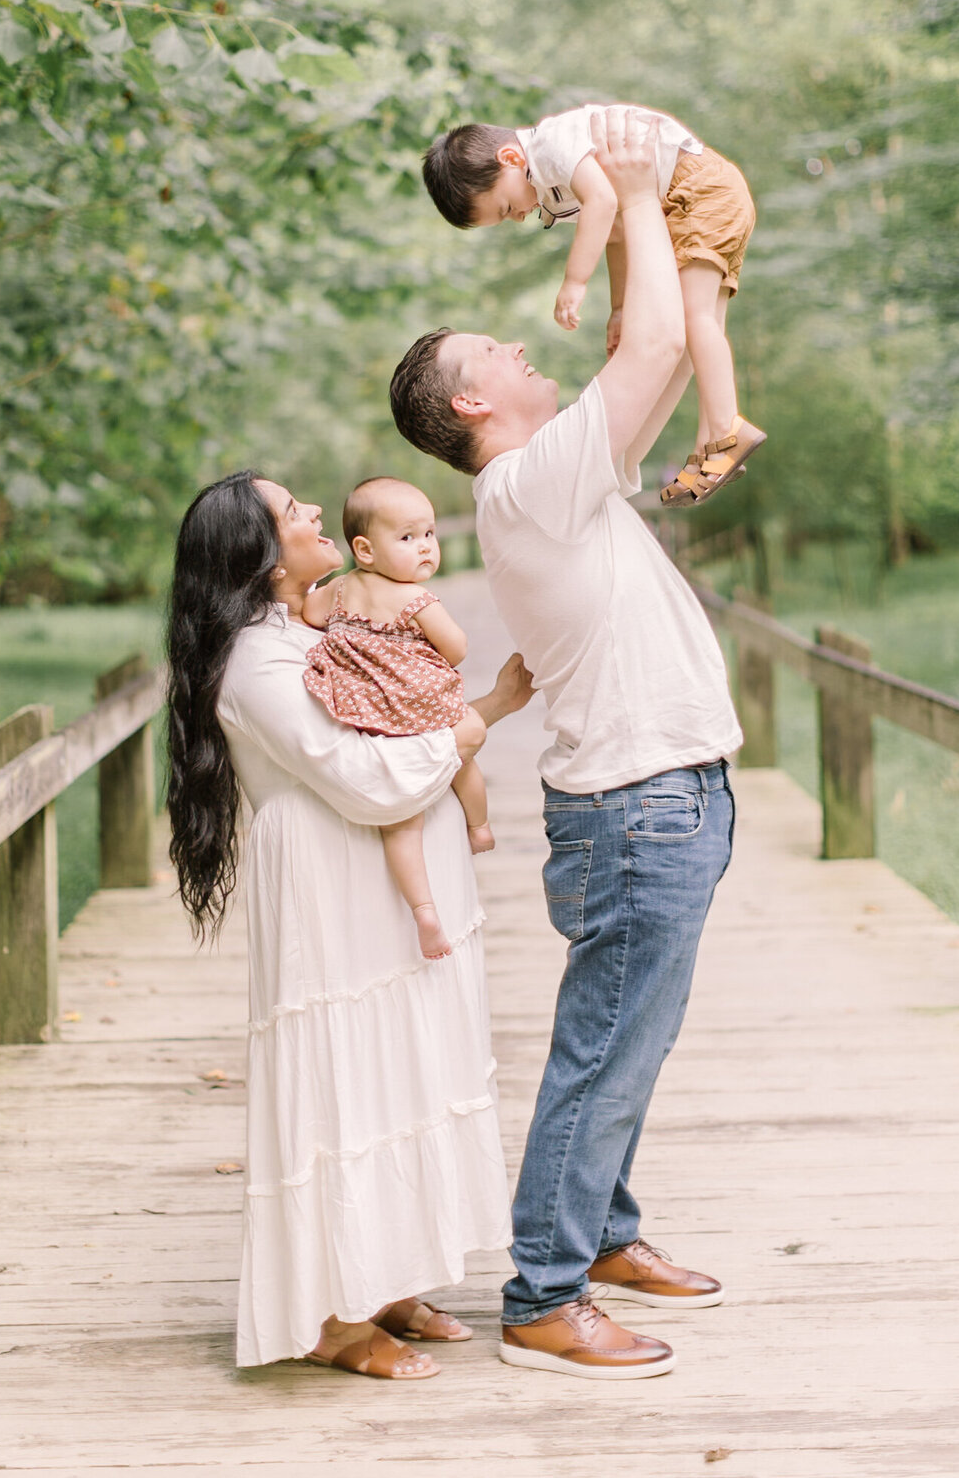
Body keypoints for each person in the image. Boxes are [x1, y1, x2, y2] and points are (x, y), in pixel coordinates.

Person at [391, 107, 741, 1382]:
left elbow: (649, 381)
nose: (525, 349)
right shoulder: (525, 481)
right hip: (637, 806)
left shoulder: (564, 473)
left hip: (666, 792)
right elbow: (653, 343)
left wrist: (644, 234)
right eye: (498, 348)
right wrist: (641, 197)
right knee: (603, 1047)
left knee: (632, 1038)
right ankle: (544, 1288)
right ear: (474, 399)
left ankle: (605, 1236)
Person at [165, 470, 532, 1379]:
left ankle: (386, 1277)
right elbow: (363, 778)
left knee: (403, 1072)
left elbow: (397, 723)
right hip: (333, 890)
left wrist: (471, 717)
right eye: (293, 513)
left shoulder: (310, 627)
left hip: (381, 888)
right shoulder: (256, 658)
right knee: (347, 1084)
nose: (316, 513)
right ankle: (332, 1313)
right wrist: (471, 726)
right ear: (258, 553)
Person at [422, 104, 763, 505]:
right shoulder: (547, 183)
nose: (517, 217)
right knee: (700, 327)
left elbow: (602, 202)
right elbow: (616, 229)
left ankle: (726, 429)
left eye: (505, 207)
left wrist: (574, 281)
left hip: (697, 191)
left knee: (697, 319)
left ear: (510, 159)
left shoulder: (550, 149)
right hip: (692, 198)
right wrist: (618, 308)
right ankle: (711, 444)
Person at [302, 477, 493, 961]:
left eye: (428, 534)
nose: (426, 548)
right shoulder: (417, 601)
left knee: (400, 824)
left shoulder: (342, 588)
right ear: (364, 549)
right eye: (407, 538)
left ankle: (423, 910)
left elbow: (309, 612)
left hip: (368, 715)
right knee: (461, 760)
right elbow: (457, 648)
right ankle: (479, 827)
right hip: (423, 708)